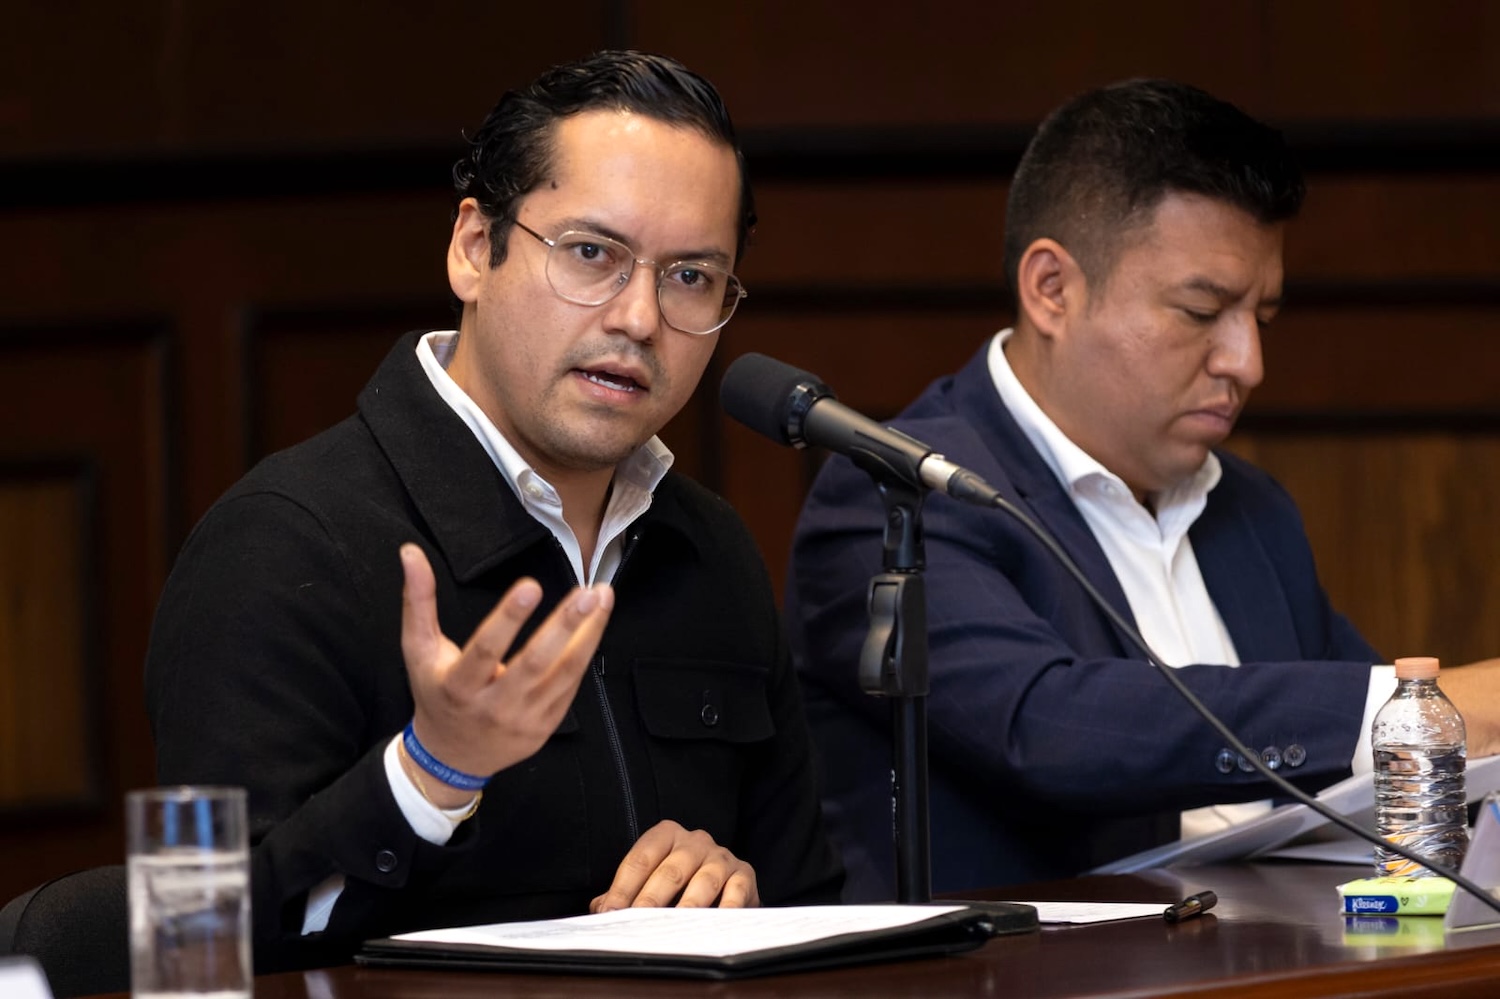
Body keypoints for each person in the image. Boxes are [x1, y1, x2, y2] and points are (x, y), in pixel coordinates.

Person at [145, 50, 842, 971]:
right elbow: (199, 943)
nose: (639, 318)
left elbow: (812, 908)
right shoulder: (281, 541)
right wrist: (431, 771)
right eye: (592, 254)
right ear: (475, 248)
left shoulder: (710, 549)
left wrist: (734, 896)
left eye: (690, 277)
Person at [785, 78, 1500, 901]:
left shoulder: (1253, 510)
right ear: (1052, 289)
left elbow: (1369, 775)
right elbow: (1043, 723)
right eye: (1201, 311)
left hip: (1290, 949)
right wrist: (1420, 709)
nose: (1247, 363)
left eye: (1262, 318)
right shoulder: (900, 493)